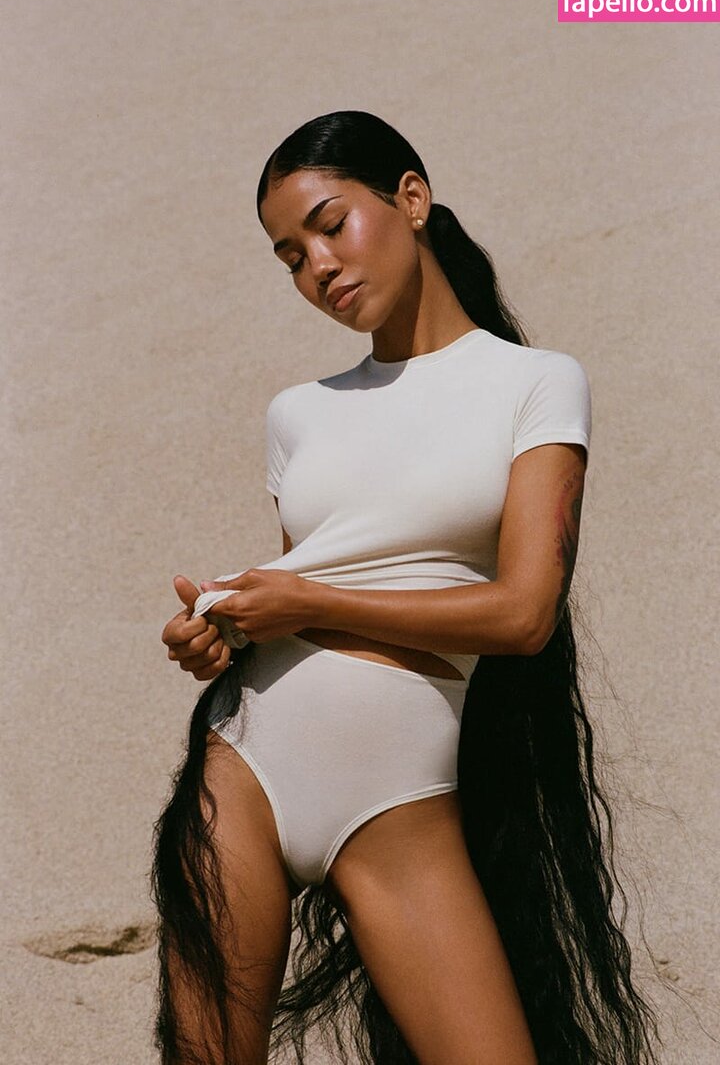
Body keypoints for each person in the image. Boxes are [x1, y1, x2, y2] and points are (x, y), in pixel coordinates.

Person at [151, 111, 664, 1065]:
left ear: (412, 200)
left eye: (331, 225)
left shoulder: (536, 383)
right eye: (290, 257)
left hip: (398, 800)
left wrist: (306, 603)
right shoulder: (299, 413)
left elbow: (524, 614)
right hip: (245, 763)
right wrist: (223, 630)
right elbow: (308, 581)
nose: (318, 267)